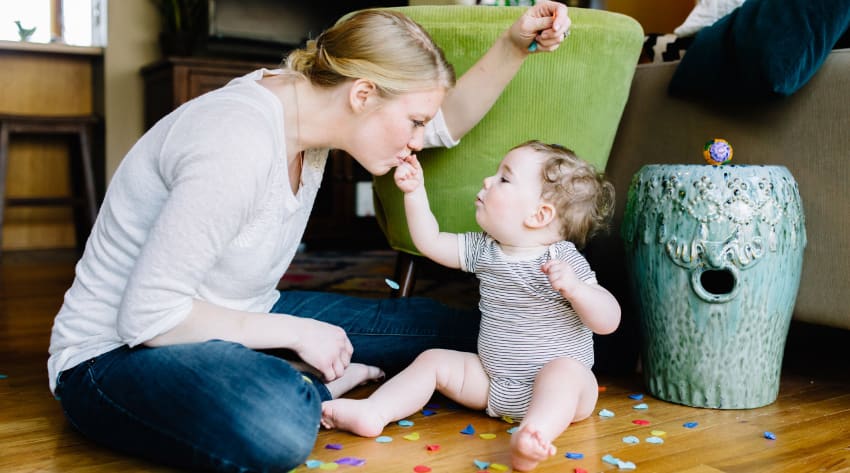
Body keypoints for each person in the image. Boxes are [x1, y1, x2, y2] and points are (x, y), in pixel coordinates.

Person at [47, 3, 571, 473]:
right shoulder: (236, 141)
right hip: (113, 355)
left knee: (455, 329)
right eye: (412, 122)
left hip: (240, 312)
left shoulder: (316, 109)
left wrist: (513, 44)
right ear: (363, 94)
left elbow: (445, 122)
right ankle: (309, 382)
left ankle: (297, 374)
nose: (419, 141)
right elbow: (148, 315)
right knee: (274, 425)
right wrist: (297, 333)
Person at [321, 140, 621, 471]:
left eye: (504, 179)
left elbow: (608, 320)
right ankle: (375, 411)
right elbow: (431, 242)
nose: (487, 181)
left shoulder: (562, 260)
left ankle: (535, 433)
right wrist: (414, 193)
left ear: (540, 215)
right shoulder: (485, 249)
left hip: (559, 393)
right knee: (434, 361)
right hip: (493, 383)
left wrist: (577, 291)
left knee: (565, 372)